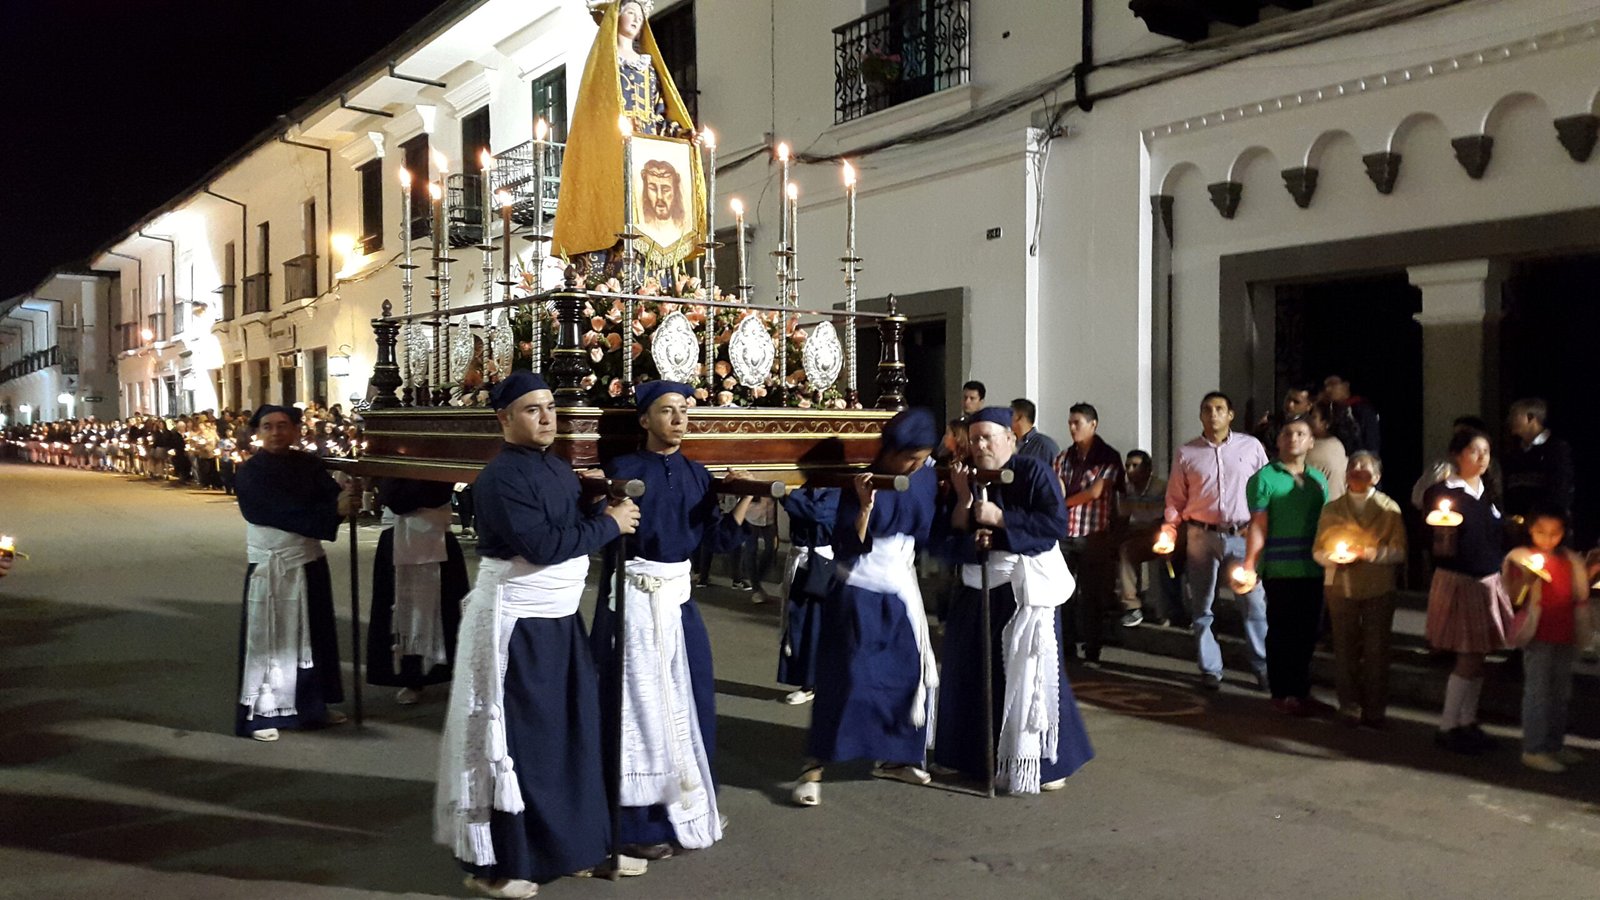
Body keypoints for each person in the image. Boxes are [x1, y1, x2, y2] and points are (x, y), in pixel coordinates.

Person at [435, 372, 644, 898]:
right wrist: (610, 525)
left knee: (570, 736)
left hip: (559, 618)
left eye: (550, 406)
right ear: (504, 419)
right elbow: (543, 546)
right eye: (532, 409)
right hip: (518, 625)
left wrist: (597, 510)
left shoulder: (558, 467)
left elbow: (566, 523)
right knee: (521, 743)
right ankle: (506, 863)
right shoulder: (499, 478)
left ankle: (572, 848)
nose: (547, 417)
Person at [593, 380, 750, 858]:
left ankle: (683, 804)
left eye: (684, 410)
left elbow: (715, 542)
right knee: (635, 709)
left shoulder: (697, 474)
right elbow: (607, 534)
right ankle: (633, 825)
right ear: (645, 420)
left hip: (679, 604)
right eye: (667, 411)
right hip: (635, 600)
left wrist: (744, 499)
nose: (679, 419)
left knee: (691, 697)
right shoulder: (622, 470)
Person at [933, 407, 1095, 793]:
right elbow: (946, 531)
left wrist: (1001, 519)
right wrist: (962, 501)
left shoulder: (1034, 472)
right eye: (974, 439)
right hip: (976, 584)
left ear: (1011, 438)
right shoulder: (964, 475)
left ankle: (1044, 761)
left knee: (1029, 673)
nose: (981, 445)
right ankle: (969, 757)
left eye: (989, 437)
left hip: (1020, 587)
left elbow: (1054, 526)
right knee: (968, 668)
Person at [791, 409, 940, 807]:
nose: (917, 464)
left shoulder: (925, 477)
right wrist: (863, 507)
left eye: (924, 456)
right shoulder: (861, 481)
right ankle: (813, 765)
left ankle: (897, 756)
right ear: (890, 451)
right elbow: (847, 545)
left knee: (906, 676)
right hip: (858, 591)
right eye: (910, 457)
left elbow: (927, 531)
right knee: (848, 677)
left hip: (899, 589)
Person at [233, 404, 358, 742]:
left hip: (308, 562)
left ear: (295, 430)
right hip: (271, 566)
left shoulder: (310, 465)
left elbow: (333, 501)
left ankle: (312, 707)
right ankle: (262, 712)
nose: (276, 432)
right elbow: (275, 511)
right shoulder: (249, 473)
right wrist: (331, 510)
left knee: (315, 637)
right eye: (269, 426)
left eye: (283, 425)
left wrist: (346, 500)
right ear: (258, 432)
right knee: (269, 641)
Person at [553, 0, 703, 271]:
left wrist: (681, 133)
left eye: (640, 15)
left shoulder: (648, 67)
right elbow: (595, 110)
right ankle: (613, 267)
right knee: (617, 211)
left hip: (646, 150)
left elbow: (659, 113)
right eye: (630, 14)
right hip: (614, 148)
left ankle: (652, 276)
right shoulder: (605, 65)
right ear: (615, 18)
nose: (636, 20)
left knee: (648, 213)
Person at [1160, 392, 1271, 691]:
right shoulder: (1187, 452)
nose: (1213, 414)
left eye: (1220, 409)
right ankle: (1210, 668)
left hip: (1241, 534)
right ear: (1200, 415)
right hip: (1201, 535)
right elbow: (1175, 497)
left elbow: (1265, 488)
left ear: (1230, 415)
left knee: (1252, 602)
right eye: (1207, 409)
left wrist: (1261, 524)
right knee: (1202, 604)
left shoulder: (1251, 447)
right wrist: (1171, 529)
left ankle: (1263, 666)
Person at [1423, 427, 1512, 755]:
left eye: (1486, 452)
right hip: (1460, 580)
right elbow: (1432, 535)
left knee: (1478, 657)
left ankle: (1466, 721)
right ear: (1457, 454)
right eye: (1475, 451)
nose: (1482, 458)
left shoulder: (1487, 493)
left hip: (1486, 579)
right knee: (1468, 655)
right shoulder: (1443, 492)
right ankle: (1448, 726)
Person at [1239, 417, 1328, 714]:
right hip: (1280, 569)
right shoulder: (1264, 478)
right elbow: (1258, 525)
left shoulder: (1319, 480)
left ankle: (1302, 691)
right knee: (1282, 631)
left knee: (1308, 632)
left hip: (1314, 568)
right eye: (1288, 433)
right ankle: (1282, 693)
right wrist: (1250, 564)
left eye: (1301, 433)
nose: (1294, 438)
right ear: (1277, 441)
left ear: (1311, 442)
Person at [1312, 451, 1407, 727]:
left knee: (1376, 648)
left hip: (1378, 585)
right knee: (1344, 647)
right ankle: (1348, 704)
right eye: (1353, 467)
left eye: (1364, 468)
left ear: (1376, 476)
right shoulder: (1332, 509)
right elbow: (1318, 549)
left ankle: (1375, 709)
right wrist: (1333, 557)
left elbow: (1399, 551)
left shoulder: (1388, 508)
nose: (1357, 471)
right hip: (1340, 586)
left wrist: (1367, 552)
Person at [1502, 506, 1591, 773]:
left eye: (1554, 533)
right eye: (1541, 532)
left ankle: (1554, 744)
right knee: (1538, 692)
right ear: (1530, 530)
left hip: (1565, 631)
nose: (1548, 538)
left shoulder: (1570, 559)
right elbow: (1514, 597)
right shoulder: (1521, 559)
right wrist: (1527, 581)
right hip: (1538, 632)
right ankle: (1534, 748)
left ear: (1563, 533)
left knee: (1560, 693)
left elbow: (1577, 592)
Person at [366, 478, 468, 706]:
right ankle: (410, 677)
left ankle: (450, 672)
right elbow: (392, 498)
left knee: (447, 609)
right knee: (399, 607)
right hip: (398, 534)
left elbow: (440, 490)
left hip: (438, 534)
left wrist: (417, 495)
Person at [1054, 402, 1125, 657]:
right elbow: (1055, 484)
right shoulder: (1064, 456)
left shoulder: (1108, 456)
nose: (1072, 428)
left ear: (1093, 425)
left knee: (1091, 594)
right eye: (1070, 423)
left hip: (1092, 532)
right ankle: (1068, 645)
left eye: (1078, 423)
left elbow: (1095, 492)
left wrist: (1062, 503)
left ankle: (1093, 647)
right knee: (1063, 593)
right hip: (1065, 533)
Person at [776, 483, 841, 706]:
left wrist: (787, 494)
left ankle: (813, 683)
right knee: (799, 625)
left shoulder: (837, 490)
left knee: (815, 627)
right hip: (803, 562)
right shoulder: (804, 487)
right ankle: (807, 681)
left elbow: (817, 514)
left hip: (822, 565)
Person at [1117, 450, 1185, 627]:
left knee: (1167, 560)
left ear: (1148, 470)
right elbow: (1123, 518)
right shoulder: (1126, 489)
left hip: (1165, 534)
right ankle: (1132, 606)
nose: (1130, 470)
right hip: (1143, 534)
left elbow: (1164, 520)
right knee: (1126, 550)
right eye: (1127, 466)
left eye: (1135, 466)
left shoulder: (1161, 488)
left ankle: (1170, 610)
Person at [1503, 398, 1576, 532]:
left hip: (1547, 530)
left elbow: (1559, 492)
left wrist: (1542, 521)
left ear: (1530, 418)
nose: (1509, 420)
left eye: (1514, 415)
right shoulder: (1513, 453)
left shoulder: (1556, 449)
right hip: (1519, 530)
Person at [1323, 375, 1380, 455]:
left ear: (1346, 385)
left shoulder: (1363, 409)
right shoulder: (1329, 411)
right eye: (1326, 386)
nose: (1327, 389)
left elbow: (1371, 443)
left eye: (1333, 384)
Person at [1306, 400, 1348, 502]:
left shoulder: (1315, 449)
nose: (1308, 420)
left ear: (1326, 423)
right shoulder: (1338, 445)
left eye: (1313, 417)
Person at [1252, 386, 1312, 452]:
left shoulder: (1310, 427)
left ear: (1308, 406)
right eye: (1288, 399)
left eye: (1296, 402)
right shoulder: (1272, 420)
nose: (1290, 405)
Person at [1009, 398, 1060, 465]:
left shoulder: (1045, 446)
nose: (1006, 418)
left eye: (1010, 414)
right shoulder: (1007, 442)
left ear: (1019, 418)